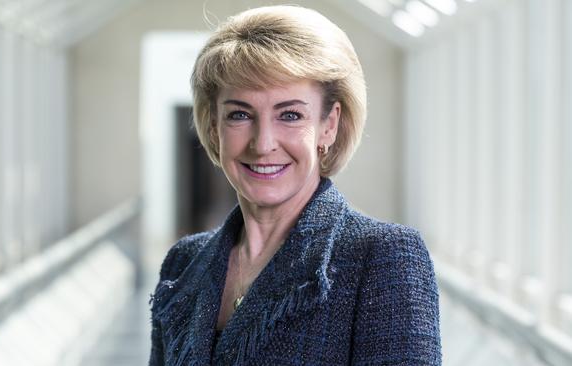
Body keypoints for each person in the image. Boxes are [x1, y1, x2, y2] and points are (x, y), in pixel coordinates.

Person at [149, 5, 441, 365]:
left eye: (290, 115)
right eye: (240, 115)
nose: (263, 143)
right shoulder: (184, 262)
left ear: (328, 125)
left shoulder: (381, 258)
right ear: (213, 126)